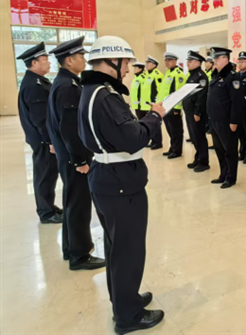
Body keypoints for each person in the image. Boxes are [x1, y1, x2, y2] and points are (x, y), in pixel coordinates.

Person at [78, 36, 166, 333]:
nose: (128, 69)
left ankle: (124, 299)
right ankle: (128, 316)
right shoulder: (105, 97)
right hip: (119, 184)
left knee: (117, 247)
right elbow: (133, 139)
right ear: (111, 61)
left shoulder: (91, 90)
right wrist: (155, 116)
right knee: (128, 251)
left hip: (107, 180)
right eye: (126, 62)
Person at [47, 37, 105, 270]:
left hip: (67, 155)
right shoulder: (68, 87)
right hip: (75, 158)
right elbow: (70, 127)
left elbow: (54, 121)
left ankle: (69, 248)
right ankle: (79, 255)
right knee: (79, 205)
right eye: (81, 56)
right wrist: (80, 159)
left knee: (72, 202)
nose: (84, 60)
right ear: (69, 60)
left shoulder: (62, 82)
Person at [16, 42, 62, 224]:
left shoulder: (37, 81)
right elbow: (41, 119)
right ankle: (46, 212)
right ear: (34, 63)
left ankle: (49, 207)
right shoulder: (34, 85)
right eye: (45, 60)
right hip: (43, 141)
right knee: (45, 176)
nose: (49, 63)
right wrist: (50, 141)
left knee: (48, 174)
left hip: (43, 140)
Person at [206, 47, 245, 188]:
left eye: (217, 58)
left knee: (229, 150)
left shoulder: (232, 76)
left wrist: (234, 121)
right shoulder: (216, 75)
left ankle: (230, 177)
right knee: (219, 150)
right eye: (214, 58)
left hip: (226, 121)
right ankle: (223, 174)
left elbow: (236, 101)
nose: (215, 61)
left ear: (225, 59)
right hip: (215, 120)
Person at [183, 50, 210, 173]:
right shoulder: (191, 75)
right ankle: (198, 158)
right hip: (189, 111)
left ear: (198, 63)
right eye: (188, 61)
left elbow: (202, 96)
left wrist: (198, 112)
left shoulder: (201, 76)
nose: (187, 63)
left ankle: (204, 161)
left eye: (190, 61)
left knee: (199, 136)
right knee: (194, 136)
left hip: (196, 112)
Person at [156, 52, 186, 159]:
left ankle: (177, 151)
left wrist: (176, 108)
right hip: (165, 107)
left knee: (176, 130)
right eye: (166, 60)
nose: (167, 62)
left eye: (169, 60)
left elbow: (179, 93)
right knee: (170, 129)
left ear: (175, 61)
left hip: (173, 108)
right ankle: (172, 148)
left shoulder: (178, 74)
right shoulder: (168, 73)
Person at [140, 56, 163, 150]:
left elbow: (160, 90)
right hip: (147, 104)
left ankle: (158, 142)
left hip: (154, 104)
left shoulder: (157, 75)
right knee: (151, 123)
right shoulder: (147, 74)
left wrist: (156, 103)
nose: (146, 65)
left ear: (154, 65)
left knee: (155, 123)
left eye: (148, 63)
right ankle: (153, 141)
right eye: (146, 63)